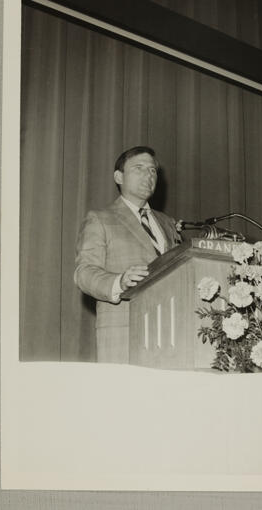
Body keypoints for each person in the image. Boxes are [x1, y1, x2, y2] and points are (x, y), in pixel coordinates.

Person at [74, 146, 181, 363]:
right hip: (124, 332)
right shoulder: (100, 219)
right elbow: (84, 273)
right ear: (119, 177)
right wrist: (119, 282)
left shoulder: (168, 223)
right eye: (139, 168)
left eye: (152, 171)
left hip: (171, 334)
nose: (148, 175)